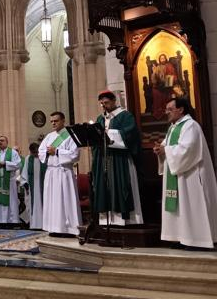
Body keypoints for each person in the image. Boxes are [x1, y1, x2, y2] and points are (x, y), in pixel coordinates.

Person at [153, 98, 217, 249]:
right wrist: (160, 149)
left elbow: (189, 149)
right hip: (178, 174)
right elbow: (167, 145)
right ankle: (182, 238)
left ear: (181, 109)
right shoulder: (173, 127)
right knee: (180, 207)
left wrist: (166, 150)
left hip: (191, 175)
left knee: (191, 206)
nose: (166, 112)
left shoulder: (191, 126)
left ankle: (197, 240)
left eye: (169, 109)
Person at [92, 90, 144, 226]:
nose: (104, 106)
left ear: (114, 101)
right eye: (102, 104)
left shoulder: (125, 116)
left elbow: (130, 133)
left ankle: (125, 220)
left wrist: (109, 134)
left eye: (106, 103)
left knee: (121, 185)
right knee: (105, 187)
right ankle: (106, 220)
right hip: (105, 158)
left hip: (120, 159)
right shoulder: (100, 118)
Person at [39, 112, 82, 236]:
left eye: (56, 121)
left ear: (63, 121)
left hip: (64, 172)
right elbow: (41, 151)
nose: (53, 123)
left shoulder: (70, 135)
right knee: (52, 200)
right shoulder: (49, 136)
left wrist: (57, 151)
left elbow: (75, 155)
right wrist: (47, 152)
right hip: (51, 172)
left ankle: (69, 229)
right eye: (51, 121)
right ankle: (54, 228)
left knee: (65, 200)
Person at [0, 136, 21, 227]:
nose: (0, 142)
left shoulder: (13, 153)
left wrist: (6, 163)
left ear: (7, 142)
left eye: (2, 140)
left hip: (9, 181)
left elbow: (18, 164)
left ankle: (10, 221)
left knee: (11, 201)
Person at [19, 143, 45, 230]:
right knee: (31, 205)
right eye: (33, 152)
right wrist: (25, 183)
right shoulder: (28, 159)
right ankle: (34, 225)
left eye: (37, 152)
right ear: (30, 152)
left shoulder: (44, 158)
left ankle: (44, 225)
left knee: (43, 204)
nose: (36, 154)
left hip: (43, 187)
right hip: (31, 188)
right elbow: (24, 173)